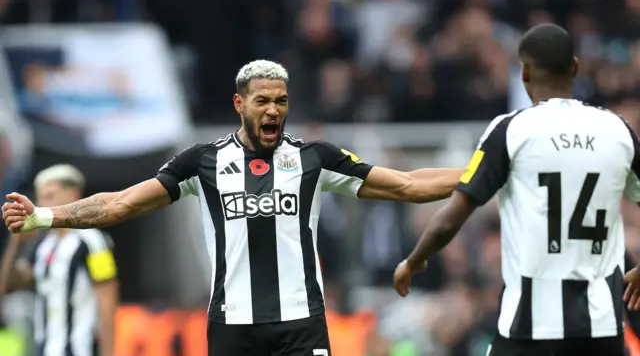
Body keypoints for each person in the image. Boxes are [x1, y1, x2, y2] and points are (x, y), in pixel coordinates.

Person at [2, 59, 462, 356]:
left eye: (281, 101)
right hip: (232, 327)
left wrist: (480, 175)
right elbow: (121, 204)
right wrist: (44, 217)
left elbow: (408, 185)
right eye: (262, 101)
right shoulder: (202, 162)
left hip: (300, 325)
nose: (273, 111)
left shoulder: (315, 159)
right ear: (240, 103)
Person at [393, 23, 640, 356]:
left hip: (529, 328)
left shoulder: (511, 131)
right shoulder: (617, 130)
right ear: (575, 67)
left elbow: (452, 216)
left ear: (524, 72)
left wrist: (414, 260)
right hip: (601, 330)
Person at [0, 164, 119, 356]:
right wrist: (17, 242)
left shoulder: (92, 240)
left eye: (50, 196)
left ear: (73, 195)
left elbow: (107, 299)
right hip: (45, 350)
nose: (41, 204)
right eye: (40, 197)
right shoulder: (43, 244)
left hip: (79, 350)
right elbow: (7, 286)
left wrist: (108, 352)